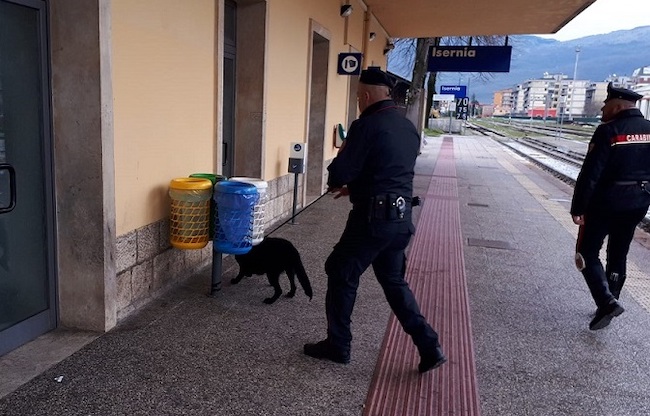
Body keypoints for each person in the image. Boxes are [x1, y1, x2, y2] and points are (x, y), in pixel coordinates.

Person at [303, 67, 446, 373]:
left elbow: (338, 175)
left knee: (341, 270)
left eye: (357, 96)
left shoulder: (365, 125)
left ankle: (338, 345)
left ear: (365, 96)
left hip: (371, 220)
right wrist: (356, 187)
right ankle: (429, 345)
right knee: (393, 281)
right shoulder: (407, 127)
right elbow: (389, 171)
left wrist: (344, 160)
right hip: (401, 219)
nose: (358, 101)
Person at [571, 82, 650, 331]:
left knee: (586, 253)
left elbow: (591, 174)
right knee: (618, 253)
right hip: (637, 202)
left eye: (606, 105)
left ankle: (606, 301)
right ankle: (611, 298)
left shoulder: (609, 131)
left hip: (604, 203)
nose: (603, 109)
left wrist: (578, 208)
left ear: (617, 106)